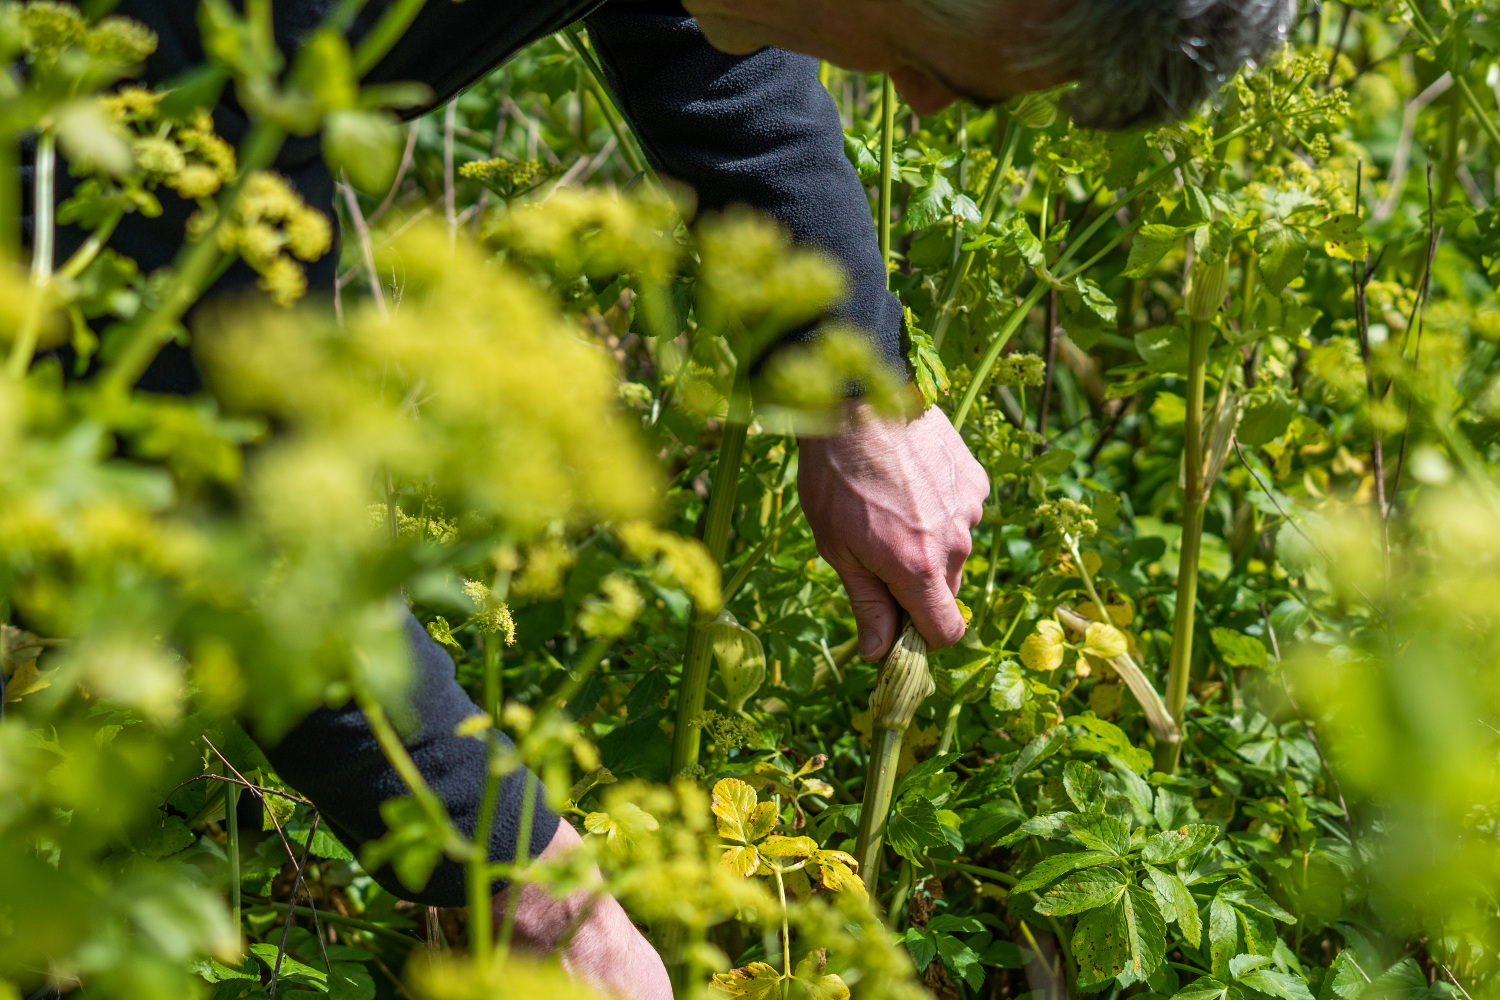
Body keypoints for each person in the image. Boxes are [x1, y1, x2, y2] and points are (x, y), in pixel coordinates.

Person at [61, 0, 1295, 995]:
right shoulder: (212, 51)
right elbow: (215, 473)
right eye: (943, 72)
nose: (916, 102)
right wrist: (517, 871)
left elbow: (698, 18)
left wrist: (846, 372)